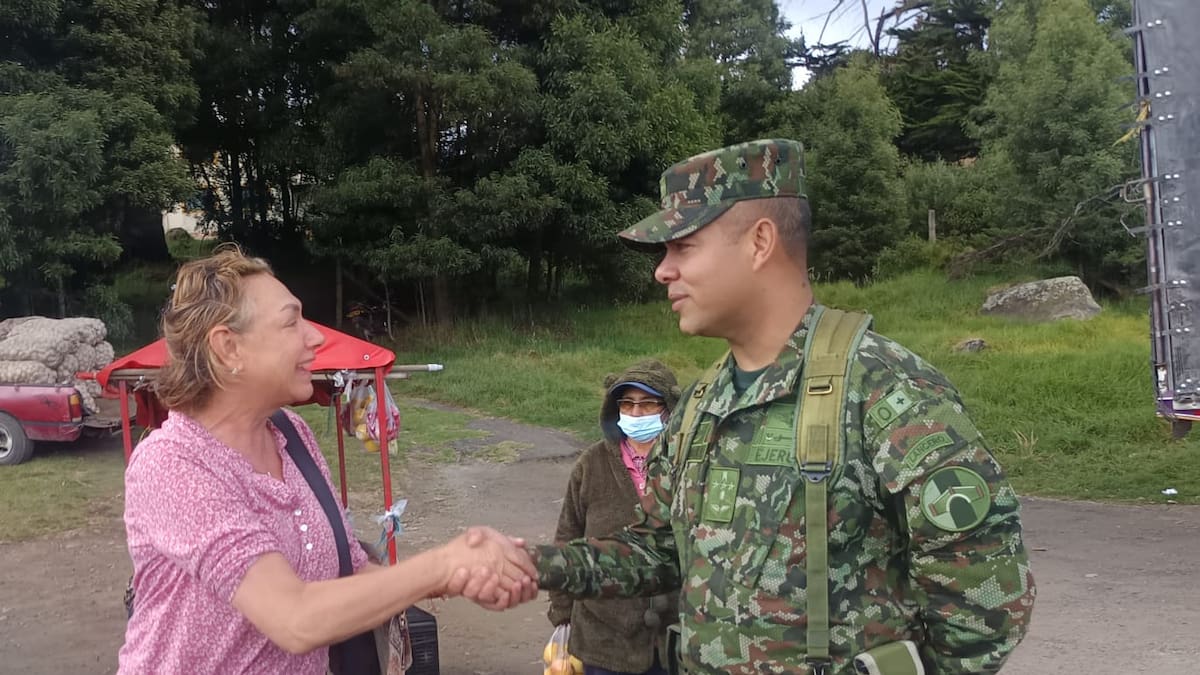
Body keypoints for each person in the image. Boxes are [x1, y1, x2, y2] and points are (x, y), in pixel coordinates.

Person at [504, 139, 1036, 674]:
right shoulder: (700, 405)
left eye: (683, 247)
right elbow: (657, 552)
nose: (662, 272)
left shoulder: (882, 387)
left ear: (760, 242)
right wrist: (531, 563)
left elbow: (987, 600)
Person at [118, 246, 535, 674]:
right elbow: (293, 617)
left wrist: (462, 577)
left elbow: (348, 577)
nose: (315, 337)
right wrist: (444, 566)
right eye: (290, 321)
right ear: (228, 348)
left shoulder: (293, 437)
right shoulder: (172, 466)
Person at [548, 359, 681, 675]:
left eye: (647, 404)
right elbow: (567, 540)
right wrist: (562, 616)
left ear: (669, 409)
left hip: (674, 639)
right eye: (628, 404)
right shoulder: (591, 464)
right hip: (601, 639)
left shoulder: (688, 462)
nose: (635, 414)